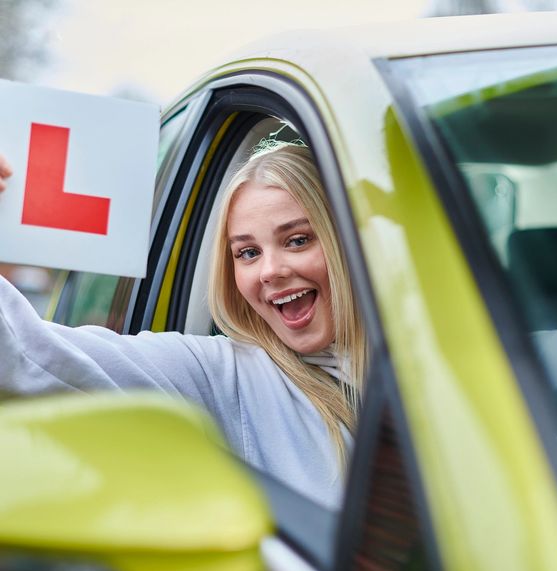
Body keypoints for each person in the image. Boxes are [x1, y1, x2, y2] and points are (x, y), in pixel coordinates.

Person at [0, 141, 367, 510]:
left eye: (297, 240)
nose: (270, 271)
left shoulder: (422, 355)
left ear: (350, 242)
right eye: (248, 253)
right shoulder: (221, 374)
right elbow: (27, 354)